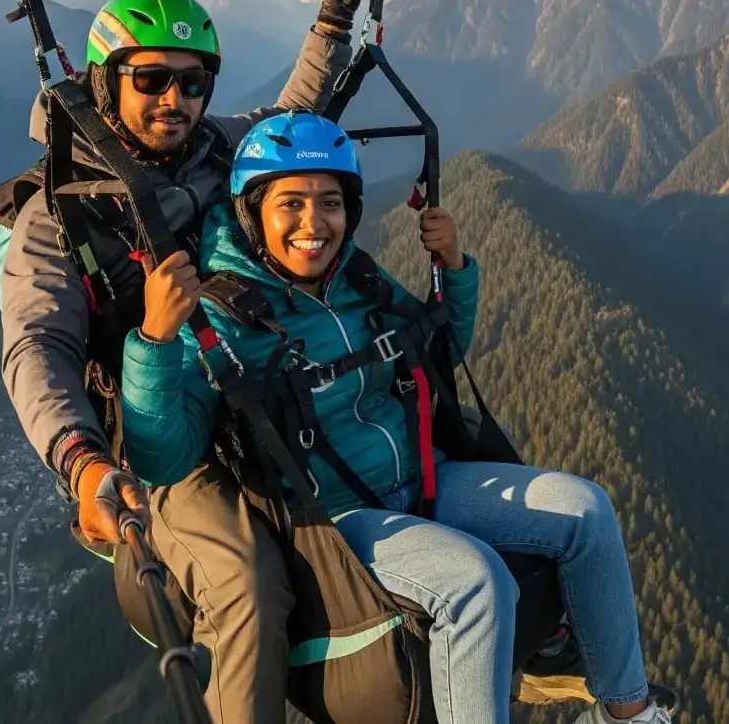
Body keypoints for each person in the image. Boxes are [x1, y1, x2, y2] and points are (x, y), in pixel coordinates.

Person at [118, 112, 677, 724]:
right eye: (291, 204)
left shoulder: (353, 278)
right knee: (475, 583)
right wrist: (153, 340)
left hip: (422, 480)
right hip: (337, 518)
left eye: (330, 202)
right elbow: (162, 459)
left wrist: (455, 269)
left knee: (585, 511)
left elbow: (437, 356)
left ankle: (628, 714)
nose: (314, 223)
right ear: (252, 212)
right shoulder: (218, 316)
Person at [0, 0, 368, 724]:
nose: (175, 100)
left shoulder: (216, 152)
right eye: (152, 79)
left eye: (193, 82)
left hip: (254, 394)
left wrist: (331, 25)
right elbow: (35, 347)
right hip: (161, 435)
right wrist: (81, 458)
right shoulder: (57, 216)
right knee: (244, 581)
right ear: (105, 83)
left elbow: (293, 115)